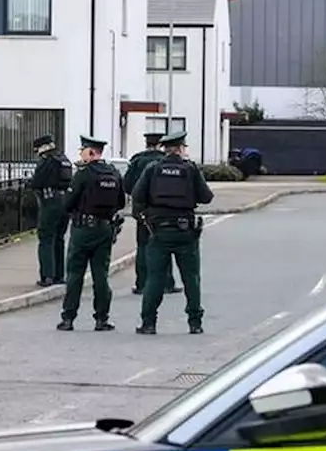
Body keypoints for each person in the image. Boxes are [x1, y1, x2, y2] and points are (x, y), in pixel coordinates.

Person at [131, 131, 214, 335]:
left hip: (159, 231)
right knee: (191, 278)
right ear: (181, 148)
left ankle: (149, 323)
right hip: (185, 231)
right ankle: (195, 323)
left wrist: (144, 214)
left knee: (155, 278)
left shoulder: (153, 169)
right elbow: (206, 197)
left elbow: (137, 195)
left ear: (165, 149)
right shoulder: (190, 169)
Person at [57, 135, 127, 332]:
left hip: (82, 230)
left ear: (90, 152)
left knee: (75, 274)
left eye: (82, 151)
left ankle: (68, 318)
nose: (80, 154)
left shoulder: (83, 174)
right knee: (101, 275)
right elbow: (121, 202)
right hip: (105, 229)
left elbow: (68, 203)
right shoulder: (113, 173)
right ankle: (102, 319)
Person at [123, 132, 181, 296]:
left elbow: (127, 185)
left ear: (146, 143)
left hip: (143, 210)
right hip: (165, 209)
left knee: (143, 246)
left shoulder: (137, 160)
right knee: (165, 245)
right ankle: (167, 283)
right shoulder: (166, 160)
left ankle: (141, 283)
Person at [29, 134, 73, 287]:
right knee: (59, 239)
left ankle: (47, 276)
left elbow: (36, 183)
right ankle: (60, 275)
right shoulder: (64, 159)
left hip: (50, 202)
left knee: (46, 238)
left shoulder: (47, 161)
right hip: (65, 201)